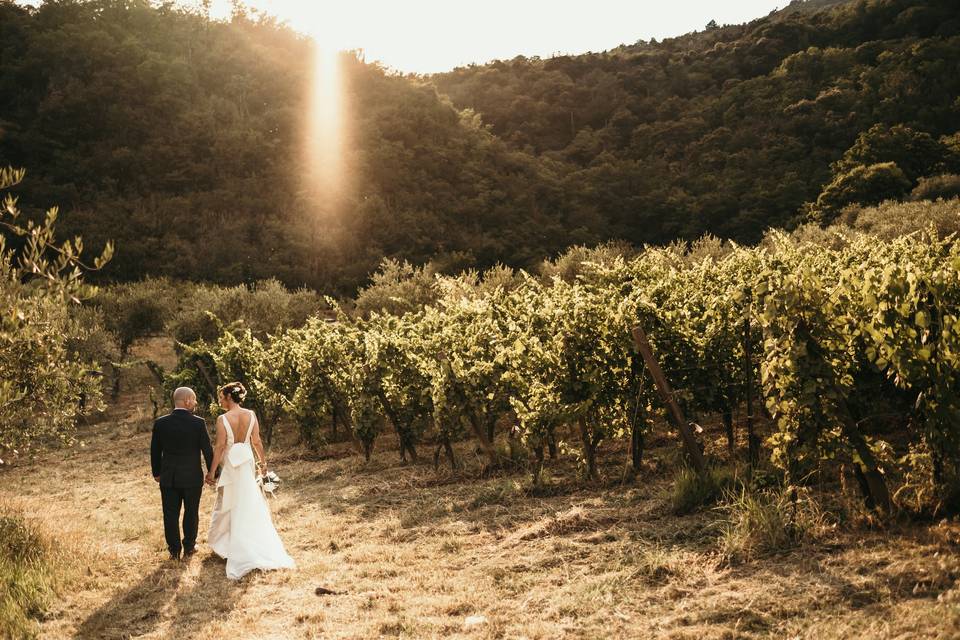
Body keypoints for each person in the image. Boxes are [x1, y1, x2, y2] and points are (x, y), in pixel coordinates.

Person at [206, 381, 294, 580]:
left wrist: (211, 473)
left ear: (229, 397)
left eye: (221, 396)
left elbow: (220, 447)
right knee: (248, 502)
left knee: (229, 502)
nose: (220, 400)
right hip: (246, 463)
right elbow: (257, 441)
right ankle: (248, 543)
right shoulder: (251, 415)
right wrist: (263, 463)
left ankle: (230, 547)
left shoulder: (223, 419)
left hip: (231, 465)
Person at [150, 386, 213, 560]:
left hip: (168, 476)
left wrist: (156, 472)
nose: (195, 403)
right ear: (187, 401)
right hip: (192, 477)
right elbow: (207, 450)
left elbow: (155, 451)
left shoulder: (161, 423)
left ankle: (174, 550)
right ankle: (190, 547)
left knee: (170, 514)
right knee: (191, 512)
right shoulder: (198, 423)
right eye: (193, 399)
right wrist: (213, 472)